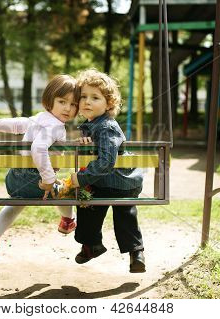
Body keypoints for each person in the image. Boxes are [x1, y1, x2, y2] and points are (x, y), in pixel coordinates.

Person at [0, 74, 79, 261]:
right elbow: (39, 148)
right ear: (50, 101)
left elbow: (17, 124)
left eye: (73, 104)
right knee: (66, 191)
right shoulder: (57, 127)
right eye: (62, 101)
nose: (68, 108)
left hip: (15, 178)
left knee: (17, 202)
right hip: (37, 181)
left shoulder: (39, 118)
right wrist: (49, 180)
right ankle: (67, 221)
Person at [69, 68, 146, 273]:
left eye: (95, 97)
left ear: (108, 103)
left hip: (117, 182)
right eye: (83, 97)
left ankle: (93, 245)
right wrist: (86, 143)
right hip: (116, 183)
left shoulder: (106, 127)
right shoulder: (91, 125)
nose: (87, 102)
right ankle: (134, 253)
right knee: (119, 214)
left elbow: (106, 162)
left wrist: (81, 177)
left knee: (90, 205)